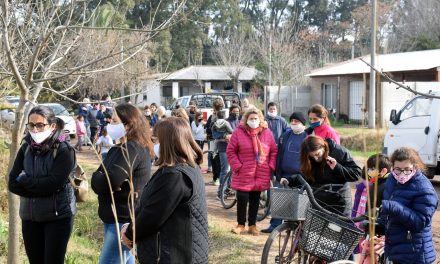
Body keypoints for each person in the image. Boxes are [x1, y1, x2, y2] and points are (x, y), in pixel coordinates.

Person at [120, 117, 209, 264]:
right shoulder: (185, 169)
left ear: (168, 142)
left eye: (156, 141)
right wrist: (130, 226)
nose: (153, 145)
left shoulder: (175, 176)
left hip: (173, 255)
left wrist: (130, 233)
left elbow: (152, 215)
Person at [8, 105, 76, 264]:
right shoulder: (26, 147)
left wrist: (25, 180)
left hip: (57, 216)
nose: (35, 129)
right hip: (30, 217)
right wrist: (39, 189)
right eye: (31, 125)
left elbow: (53, 184)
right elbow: (12, 183)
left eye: (40, 125)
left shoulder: (64, 150)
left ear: (52, 126)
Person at [91, 103, 154, 264]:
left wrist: (101, 180)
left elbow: (107, 181)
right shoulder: (121, 148)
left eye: (113, 121)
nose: (109, 125)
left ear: (128, 124)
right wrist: (100, 178)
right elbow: (101, 178)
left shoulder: (131, 149)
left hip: (122, 219)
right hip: (116, 217)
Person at [380, 147, 438, 264]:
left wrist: (394, 207)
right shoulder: (392, 179)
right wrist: (378, 223)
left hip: (414, 253)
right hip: (394, 249)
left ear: (415, 167)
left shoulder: (424, 189)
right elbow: (390, 216)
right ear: (392, 167)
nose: (402, 174)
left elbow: (419, 222)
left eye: (407, 170)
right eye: (398, 170)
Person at [226, 108, 278, 236]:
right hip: (244, 172)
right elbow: (230, 151)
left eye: (256, 118)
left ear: (260, 119)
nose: (253, 121)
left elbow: (273, 151)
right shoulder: (239, 132)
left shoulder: (267, 133)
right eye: (251, 119)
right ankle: (240, 224)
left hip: (260, 172)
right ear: (246, 119)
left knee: (255, 199)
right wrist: (238, 166)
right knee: (242, 198)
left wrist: (270, 166)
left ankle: (252, 225)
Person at [262, 112, 308, 233]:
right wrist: (277, 172)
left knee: (298, 204)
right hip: (283, 175)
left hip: (300, 178)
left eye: (296, 122)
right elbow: (279, 154)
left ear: (303, 124)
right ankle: (274, 226)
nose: (293, 124)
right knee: (279, 201)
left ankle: (296, 228)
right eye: (292, 121)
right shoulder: (286, 135)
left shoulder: (307, 137)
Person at [300, 135, 361, 216]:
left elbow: (356, 174)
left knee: (338, 228)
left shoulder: (339, 152)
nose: (315, 158)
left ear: (323, 147)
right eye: (312, 156)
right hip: (318, 203)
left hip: (339, 203)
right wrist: (291, 180)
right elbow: (306, 177)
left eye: (317, 154)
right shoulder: (309, 158)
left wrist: (337, 167)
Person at [352, 153, 391, 255]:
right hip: (370, 226)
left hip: (378, 230)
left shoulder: (387, 187)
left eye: (372, 169)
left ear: (383, 171)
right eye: (368, 169)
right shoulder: (375, 183)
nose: (369, 172)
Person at [212, 110, 233, 199]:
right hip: (225, 147)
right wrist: (225, 135)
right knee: (225, 170)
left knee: (228, 170)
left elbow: (214, 135)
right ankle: (221, 192)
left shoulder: (214, 124)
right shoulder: (226, 123)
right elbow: (232, 131)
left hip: (223, 147)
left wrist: (221, 136)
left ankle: (227, 189)